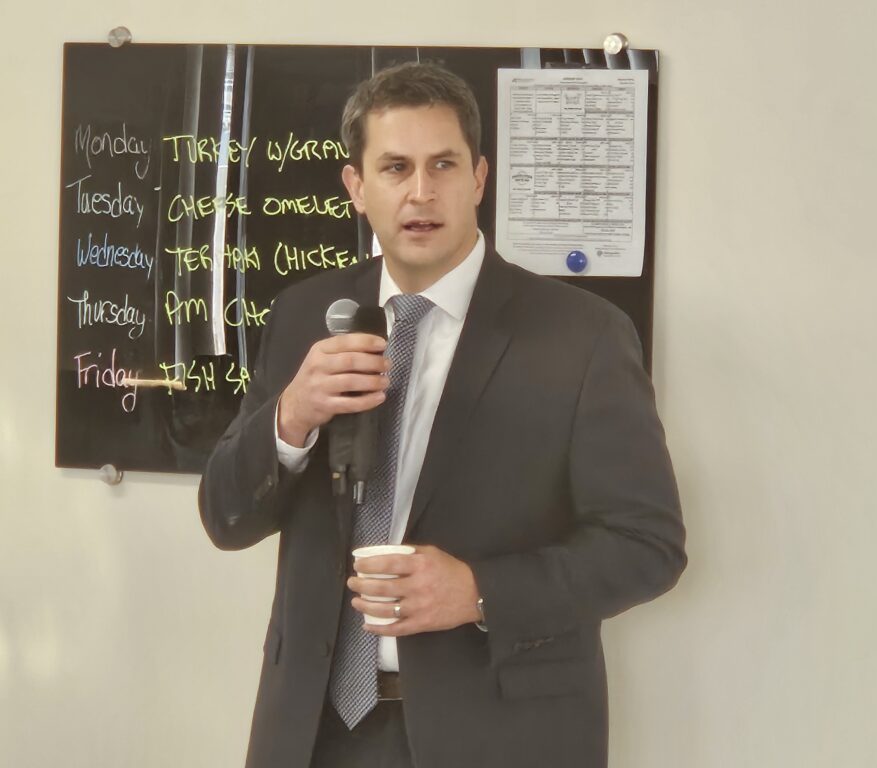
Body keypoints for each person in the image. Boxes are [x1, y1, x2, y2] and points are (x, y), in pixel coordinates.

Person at [200, 62, 686, 768]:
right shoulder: (306, 315)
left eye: (444, 166)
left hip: (498, 736)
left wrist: (480, 592)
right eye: (395, 168)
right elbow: (225, 517)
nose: (421, 192)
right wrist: (292, 415)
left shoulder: (582, 337)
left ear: (480, 179)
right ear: (358, 188)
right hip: (311, 732)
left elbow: (649, 546)